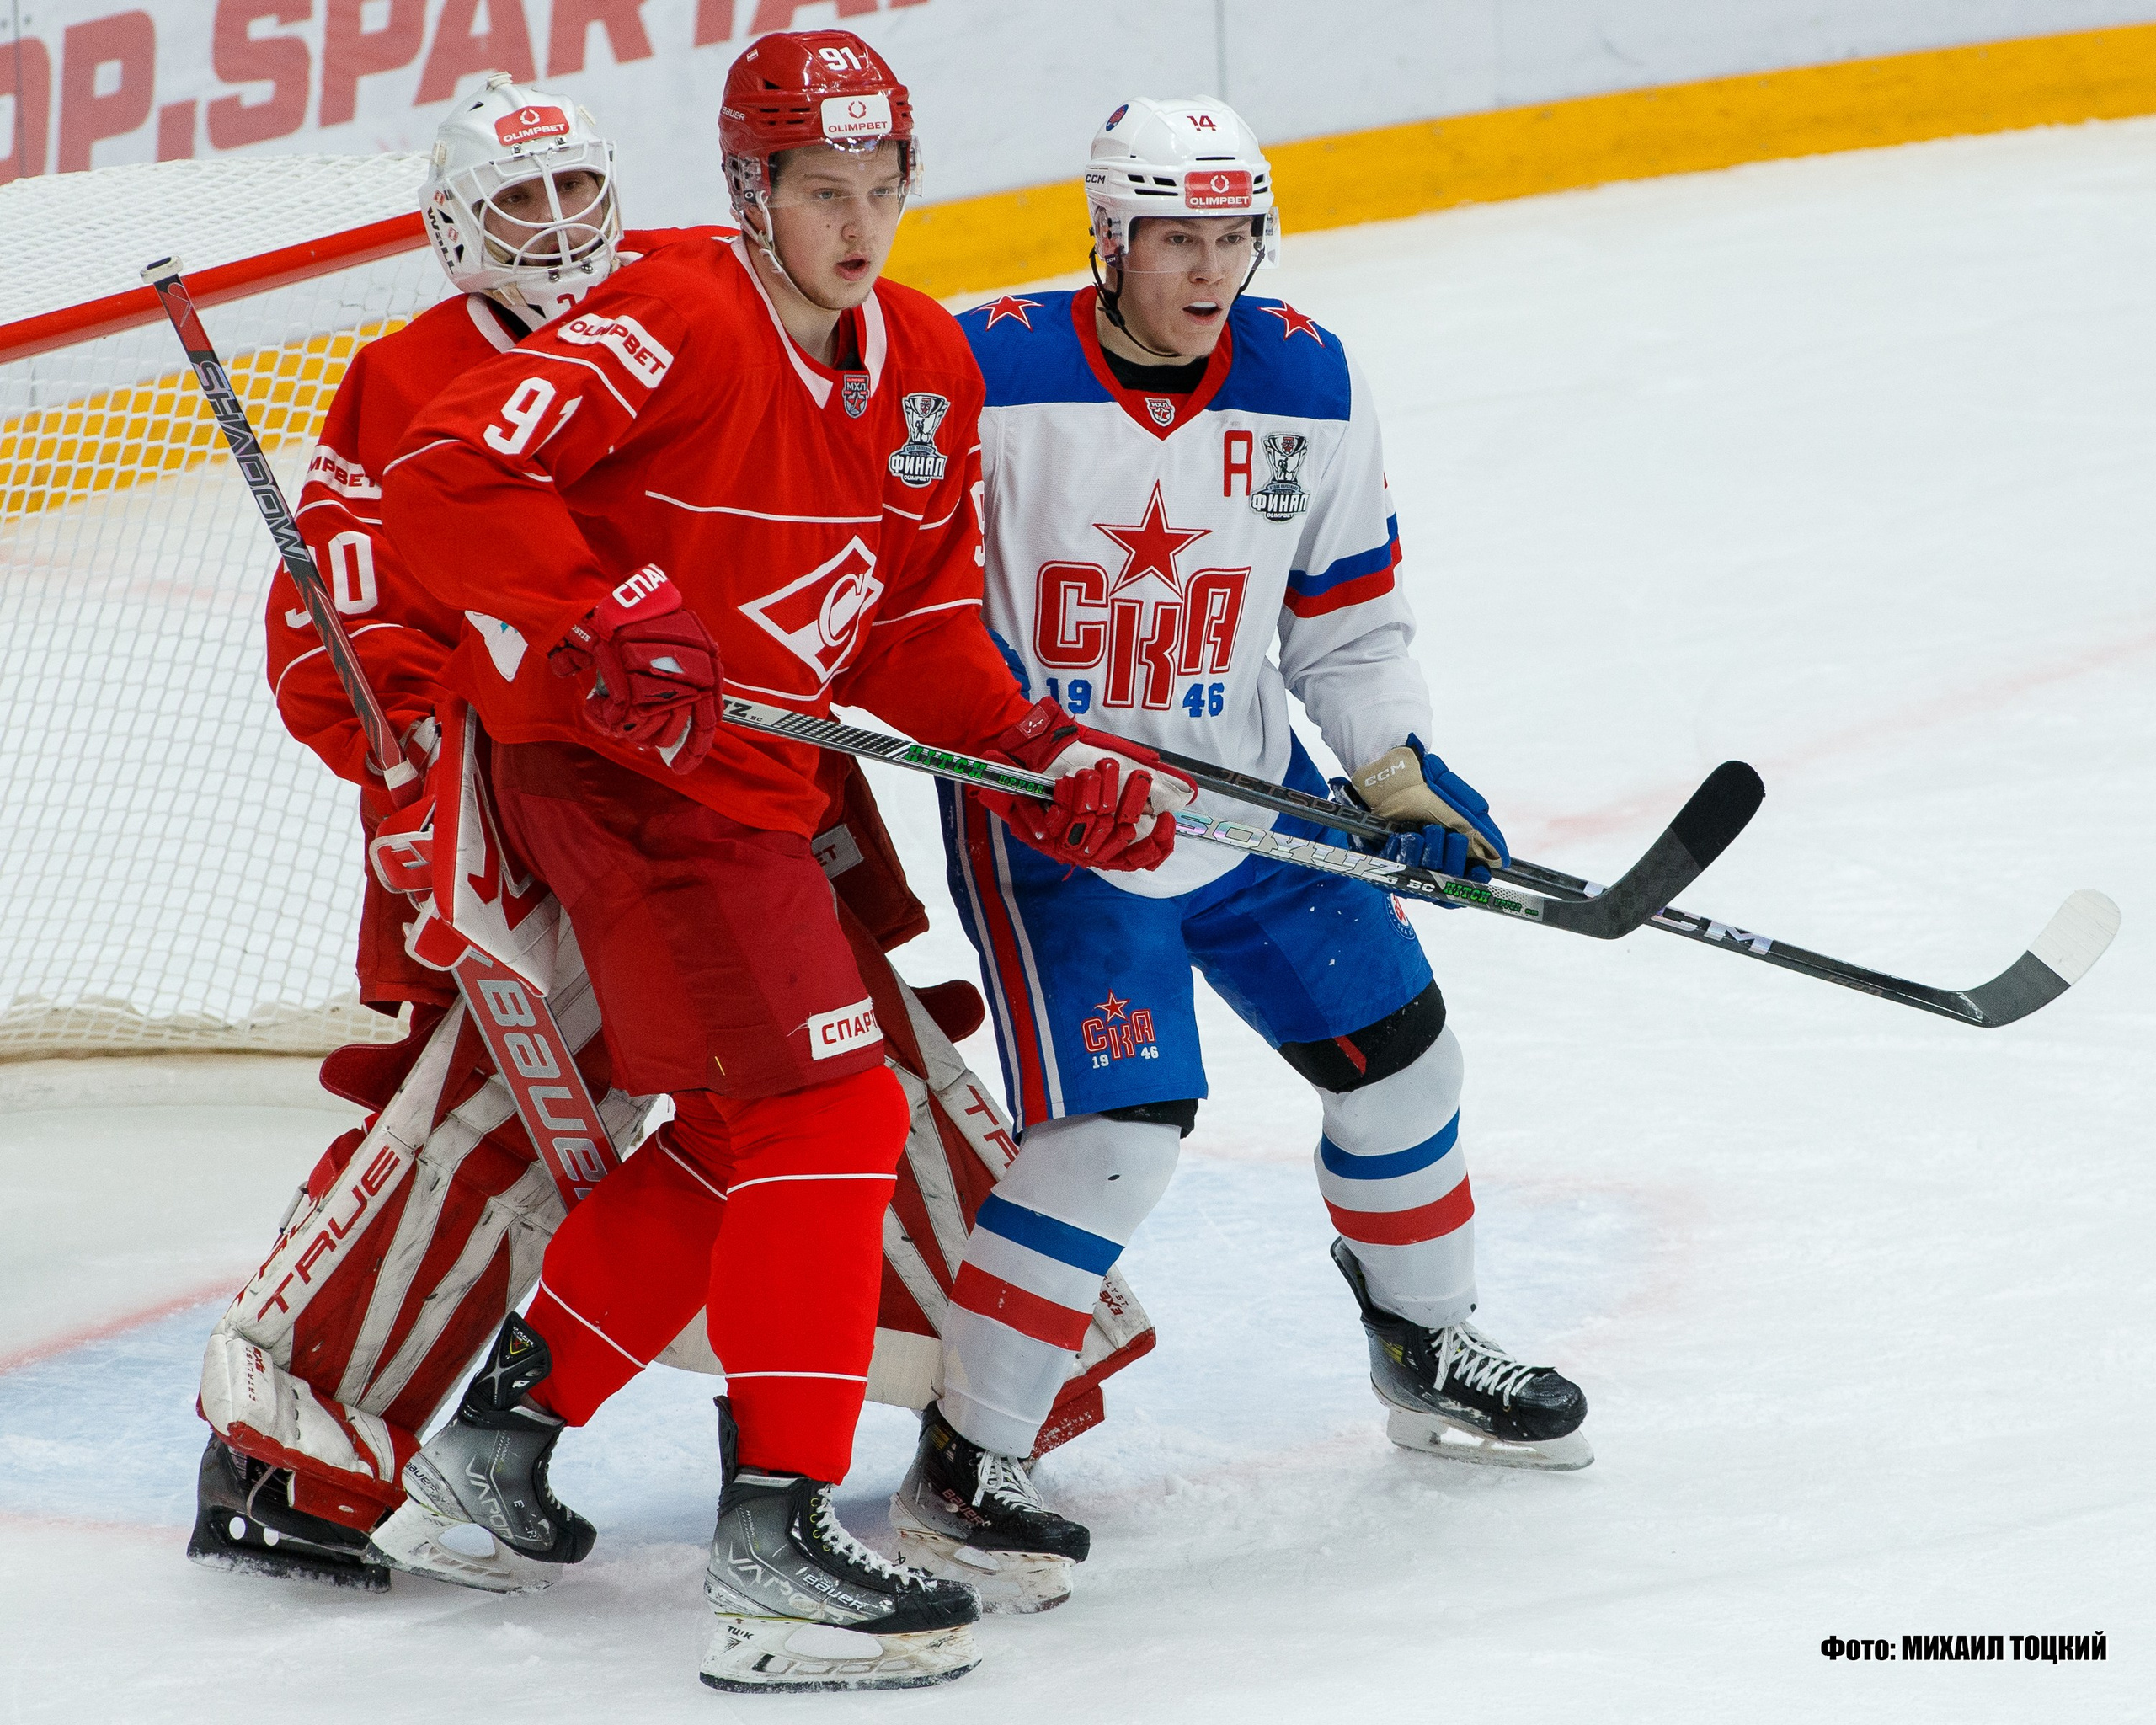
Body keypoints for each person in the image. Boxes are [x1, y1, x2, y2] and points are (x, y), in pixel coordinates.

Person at [373, 32, 1193, 1695]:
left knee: (766, 1122)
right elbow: (439, 479)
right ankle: (777, 1550)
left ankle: (502, 1436)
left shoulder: (922, 369)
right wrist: (597, 608)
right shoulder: (671, 311)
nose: (859, 225)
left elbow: (913, 628)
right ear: (750, 193)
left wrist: (1038, 755)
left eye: (884, 188)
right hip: (613, 773)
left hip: (748, 790)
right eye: (822, 192)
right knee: (834, 1112)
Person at [889, 97, 1592, 1615]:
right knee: (1121, 1132)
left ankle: (1426, 1339)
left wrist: (1397, 770)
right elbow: (913, 611)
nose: (1209, 274)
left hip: (1250, 795)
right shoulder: (985, 368)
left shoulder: (1309, 378)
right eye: (1175, 241)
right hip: (1054, 813)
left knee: (1404, 1064)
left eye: (1232, 239)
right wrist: (1032, 757)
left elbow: (1342, 617)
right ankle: (968, 1457)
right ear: (1110, 239)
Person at [190, 72, 699, 1590]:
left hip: (699, 800)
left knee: (810, 1091)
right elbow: (335, 622)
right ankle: (285, 1446)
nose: (555, 230)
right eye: (516, 205)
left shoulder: (678, 310)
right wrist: (412, 769)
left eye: (573, 193)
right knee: (472, 1122)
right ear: (453, 233)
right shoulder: (402, 379)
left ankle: (972, 1404)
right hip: (490, 827)